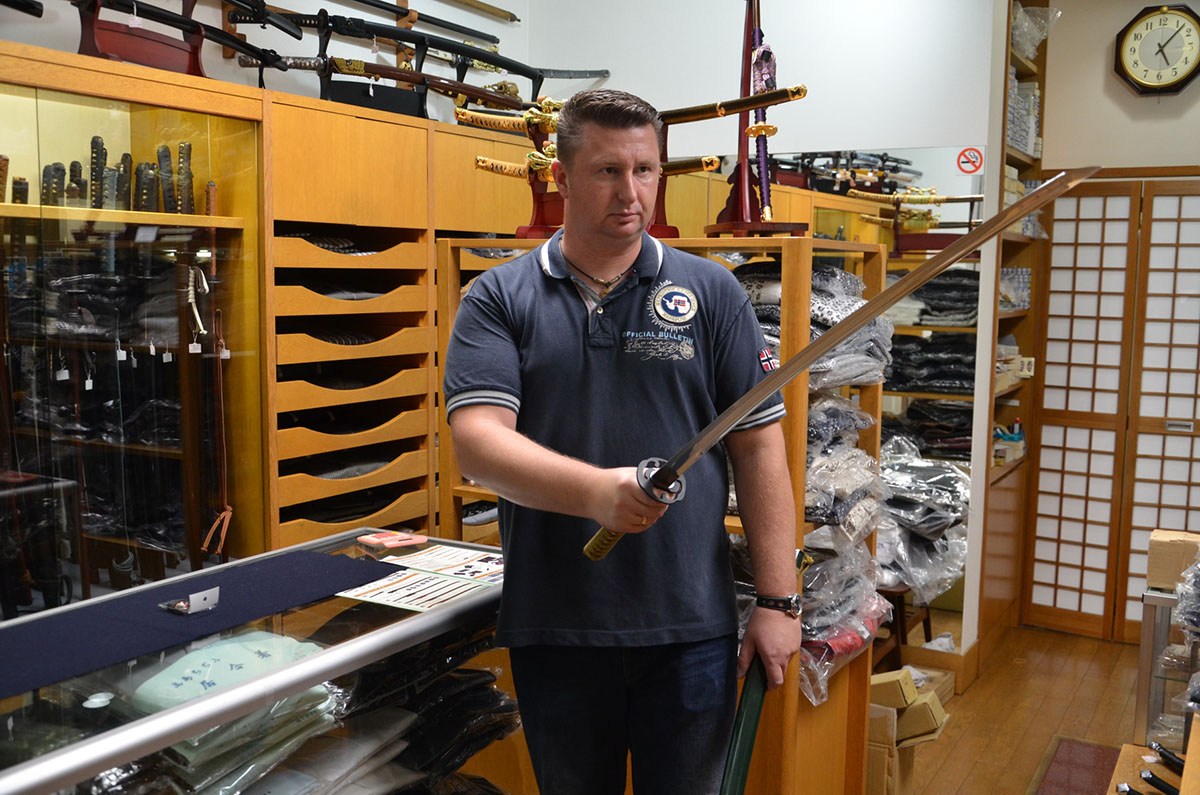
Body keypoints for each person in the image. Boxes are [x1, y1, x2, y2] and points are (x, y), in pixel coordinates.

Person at [443, 88, 803, 794]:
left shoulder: (713, 293)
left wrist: (779, 600)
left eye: (645, 170)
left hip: (690, 631)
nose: (630, 192)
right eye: (608, 171)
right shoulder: (498, 297)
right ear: (562, 178)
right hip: (557, 627)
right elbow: (478, 443)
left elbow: (760, 449)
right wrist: (596, 492)